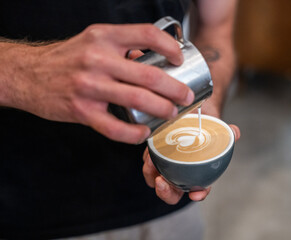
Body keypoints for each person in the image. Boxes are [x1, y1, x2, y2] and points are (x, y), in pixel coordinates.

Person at [0, 0, 240, 239]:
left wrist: (201, 96)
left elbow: (216, 27)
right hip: (24, 206)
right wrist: (27, 71)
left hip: (165, 200)